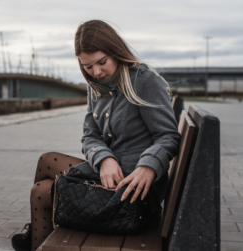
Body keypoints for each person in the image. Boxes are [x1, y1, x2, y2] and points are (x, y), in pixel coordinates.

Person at [11, 20, 181, 251]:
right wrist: (105, 159)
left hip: (134, 187)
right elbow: (89, 136)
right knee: (42, 182)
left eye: (102, 62)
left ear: (115, 51)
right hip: (112, 177)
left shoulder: (143, 80)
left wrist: (148, 166)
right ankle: (36, 237)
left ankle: (36, 236)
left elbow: (168, 135)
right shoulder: (96, 87)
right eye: (88, 66)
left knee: (43, 179)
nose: (97, 72)